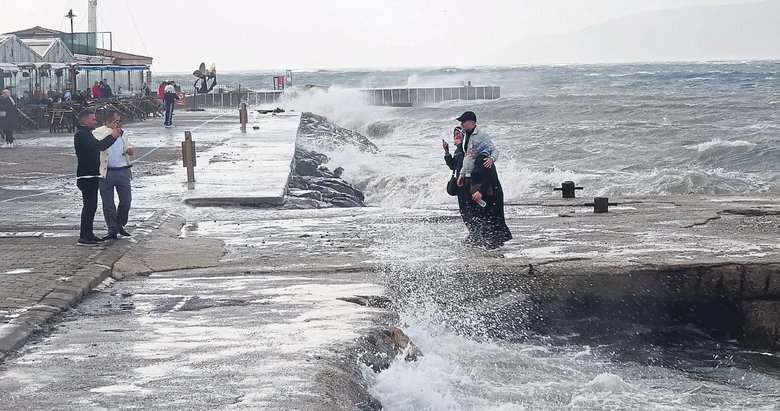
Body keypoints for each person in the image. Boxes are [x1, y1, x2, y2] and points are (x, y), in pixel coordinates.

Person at [454, 110, 511, 248]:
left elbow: (495, 151)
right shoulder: (466, 135)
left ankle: (490, 239)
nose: (461, 124)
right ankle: (477, 236)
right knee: (472, 210)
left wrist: (492, 159)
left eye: (464, 121)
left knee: (485, 211)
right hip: (469, 176)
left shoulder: (481, 139)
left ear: (472, 122)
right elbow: (468, 157)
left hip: (480, 180)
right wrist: (461, 174)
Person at [74, 109, 122, 246]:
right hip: (86, 175)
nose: (95, 122)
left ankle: (88, 234)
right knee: (89, 207)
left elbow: (98, 146)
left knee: (92, 206)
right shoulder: (82, 135)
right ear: (85, 121)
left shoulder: (87, 134)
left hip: (92, 174)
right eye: (93, 119)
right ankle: (84, 236)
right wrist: (112, 136)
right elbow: (98, 146)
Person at [95, 110, 134, 240]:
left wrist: (129, 149)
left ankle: (120, 224)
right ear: (107, 122)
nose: (118, 124)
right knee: (108, 203)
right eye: (115, 121)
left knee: (126, 200)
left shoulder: (123, 133)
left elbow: (127, 145)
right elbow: (100, 144)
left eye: (119, 121)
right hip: (107, 172)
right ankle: (112, 228)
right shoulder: (98, 132)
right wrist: (111, 132)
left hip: (123, 170)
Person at [443, 126, 473, 234]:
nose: (456, 136)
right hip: (458, 184)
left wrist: (460, 145)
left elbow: (465, 163)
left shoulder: (464, 149)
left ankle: (475, 231)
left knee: (469, 209)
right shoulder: (457, 151)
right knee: (463, 210)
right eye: (454, 134)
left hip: (466, 183)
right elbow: (453, 166)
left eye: (458, 133)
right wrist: (447, 152)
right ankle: (472, 232)